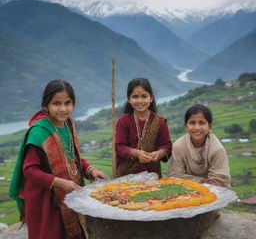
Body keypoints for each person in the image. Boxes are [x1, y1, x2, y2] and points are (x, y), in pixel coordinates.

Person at [9, 79, 108, 239]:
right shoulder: (39, 132)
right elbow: (29, 170)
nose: (63, 109)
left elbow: (71, 157)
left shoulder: (69, 124)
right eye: (56, 103)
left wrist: (91, 170)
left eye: (67, 103)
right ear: (46, 106)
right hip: (47, 202)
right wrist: (60, 183)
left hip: (70, 195)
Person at [115, 78, 172, 178]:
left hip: (152, 174)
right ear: (129, 99)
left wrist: (158, 154)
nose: (140, 101)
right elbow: (119, 147)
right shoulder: (123, 121)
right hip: (127, 177)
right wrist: (136, 153)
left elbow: (167, 146)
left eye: (144, 96)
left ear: (151, 98)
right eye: (135, 97)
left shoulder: (160, 122)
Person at [168, 104, 230, 188]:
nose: (197, 127)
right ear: (186, 126)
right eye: (192, 123)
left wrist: (198, 183)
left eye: (202, 123)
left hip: (213, 191)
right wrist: (203, 181)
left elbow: (219, 182)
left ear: (210, 126)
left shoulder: (217, 149)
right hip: (185, 190)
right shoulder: (178, 146)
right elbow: (175, 177)